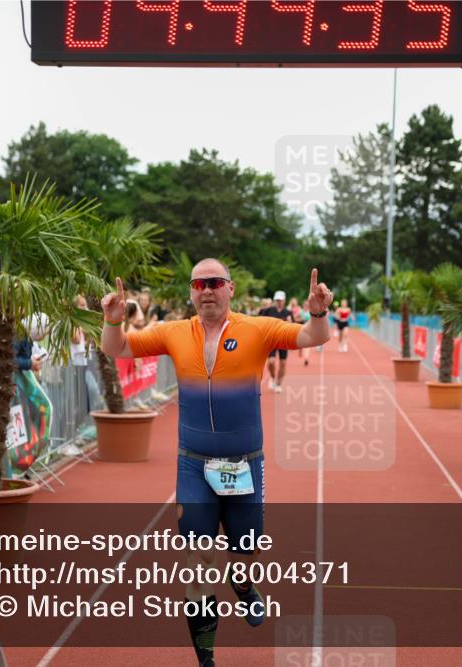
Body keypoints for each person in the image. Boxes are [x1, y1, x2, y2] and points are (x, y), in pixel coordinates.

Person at [100, 259, 333, 667]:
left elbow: (314, 336)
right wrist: (114, 321)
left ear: (230, 287)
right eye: (198, 284)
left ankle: (242, 585)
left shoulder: (258, 328)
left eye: (214, 282)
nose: (206, 290)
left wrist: (317, 310)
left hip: (245, 464)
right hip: (193, 465)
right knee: (198, 561)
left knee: (243, 553)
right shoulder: (175, 332)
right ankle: (205, 657)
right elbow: (115, 348)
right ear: (191, 291)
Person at [259, 290, 295, 393]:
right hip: (272, 340)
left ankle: (278, 384)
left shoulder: (288, 313)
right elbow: (261, 322)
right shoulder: (268, 311)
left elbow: (293, 327)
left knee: (283, 363)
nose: (279, 302)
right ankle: (273, 377)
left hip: (283, 341)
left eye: (280, 300)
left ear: (284, 300)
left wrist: (290, 322)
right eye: (277, 300)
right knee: (271, 362)